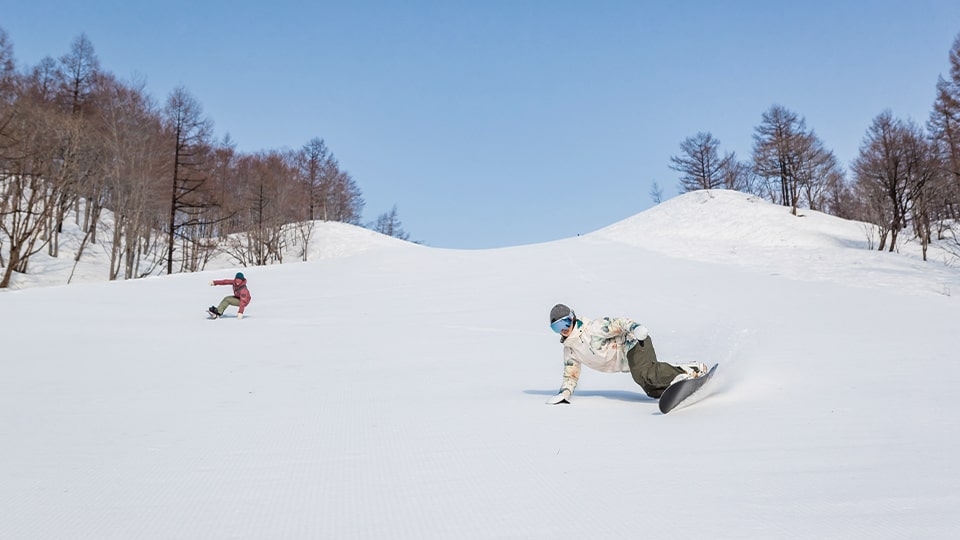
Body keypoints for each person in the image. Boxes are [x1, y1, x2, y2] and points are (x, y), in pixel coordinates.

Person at [545, 303, 706, 405]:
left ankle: (690, 370)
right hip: (629, 362)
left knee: (646, 375)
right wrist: (564, 394)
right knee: (651, 389)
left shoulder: (593, 328)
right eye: (557, 328)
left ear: (572, 318)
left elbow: (619, 323)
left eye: (565, 323)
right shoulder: (570, 350)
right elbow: (570, 376)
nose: (563, 330)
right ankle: (674, 384)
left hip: (634, 343)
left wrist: (636, 328)